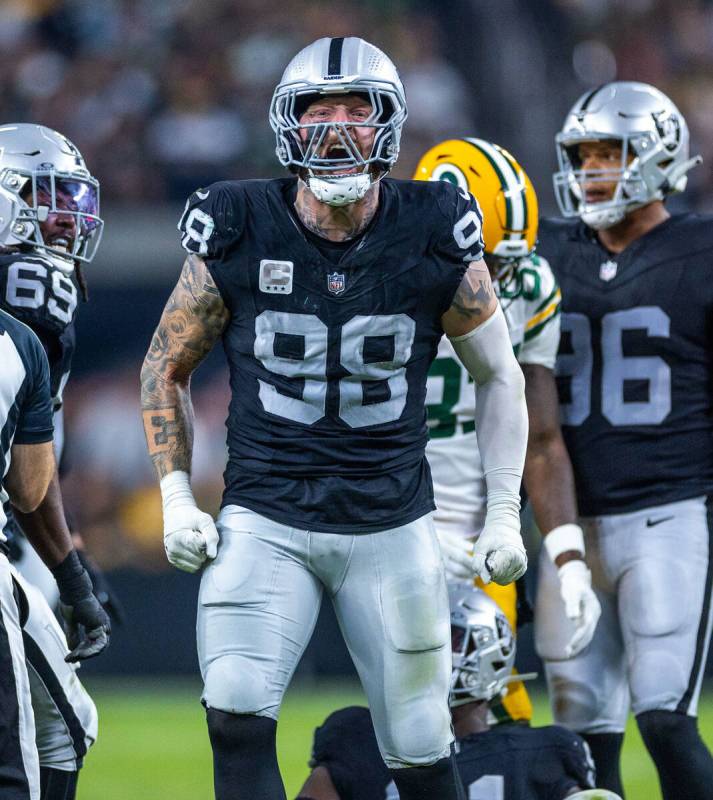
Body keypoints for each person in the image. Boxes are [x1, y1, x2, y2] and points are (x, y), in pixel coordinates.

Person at [141, 36, 529, 800]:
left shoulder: (433, 222)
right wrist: (178, 496)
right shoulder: (235, 221)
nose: (338, 126)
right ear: (288, 123)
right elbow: (165, 365)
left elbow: (501, 375)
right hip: (266, 513)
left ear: (389, 124)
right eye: (320, 108)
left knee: (420, 748)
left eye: (359, 108)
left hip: (390, 520)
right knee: (235, 712)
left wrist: (505, 510)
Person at [535, 80, 713, 800]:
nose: (592, 171)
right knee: (580, 738)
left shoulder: (699, 250)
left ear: (657, 154)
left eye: (610, 153)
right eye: (582, 156)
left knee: (664, 717)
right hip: (565, 524)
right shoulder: (546, 252)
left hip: (668, 513)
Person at [413, 139, 600, 725]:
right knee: (408, 714)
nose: (497, 277)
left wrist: (568, 557)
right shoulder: (383, 271)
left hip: (478, 532)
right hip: (384, 519)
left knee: (495, 706)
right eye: (488, 258)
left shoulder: (530, 284)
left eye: (508, 262)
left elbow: (541, 439)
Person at [0, 123, 114, 800]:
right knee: (52, 733)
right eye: (50, 199)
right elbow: (30, 477)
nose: (69, 219)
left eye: (73, 199)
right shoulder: (30, 287)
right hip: (11, 534)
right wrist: (68, 572)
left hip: (21, 530)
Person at [296, 584, 621, 800]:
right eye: (417, 636)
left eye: (447, 641)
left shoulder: (358, 739)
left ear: (489, 650)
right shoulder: (541, 753)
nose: (424, 651)